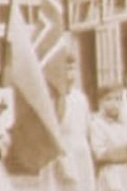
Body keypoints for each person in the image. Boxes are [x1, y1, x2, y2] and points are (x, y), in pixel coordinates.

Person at [45, 53, 97, 191]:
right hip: (62, 153)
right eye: (66, 69)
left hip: (81, 152)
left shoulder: (80, 98)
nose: (70, 74)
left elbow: (86, 129)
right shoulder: (51, 99)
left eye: (72, 68)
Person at [89, 85, 127, 191]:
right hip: (110, 174)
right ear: (101, 102)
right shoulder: (97, 124)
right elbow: (100, 154)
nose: (114, 103)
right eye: (109, 99)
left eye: (118, 99)